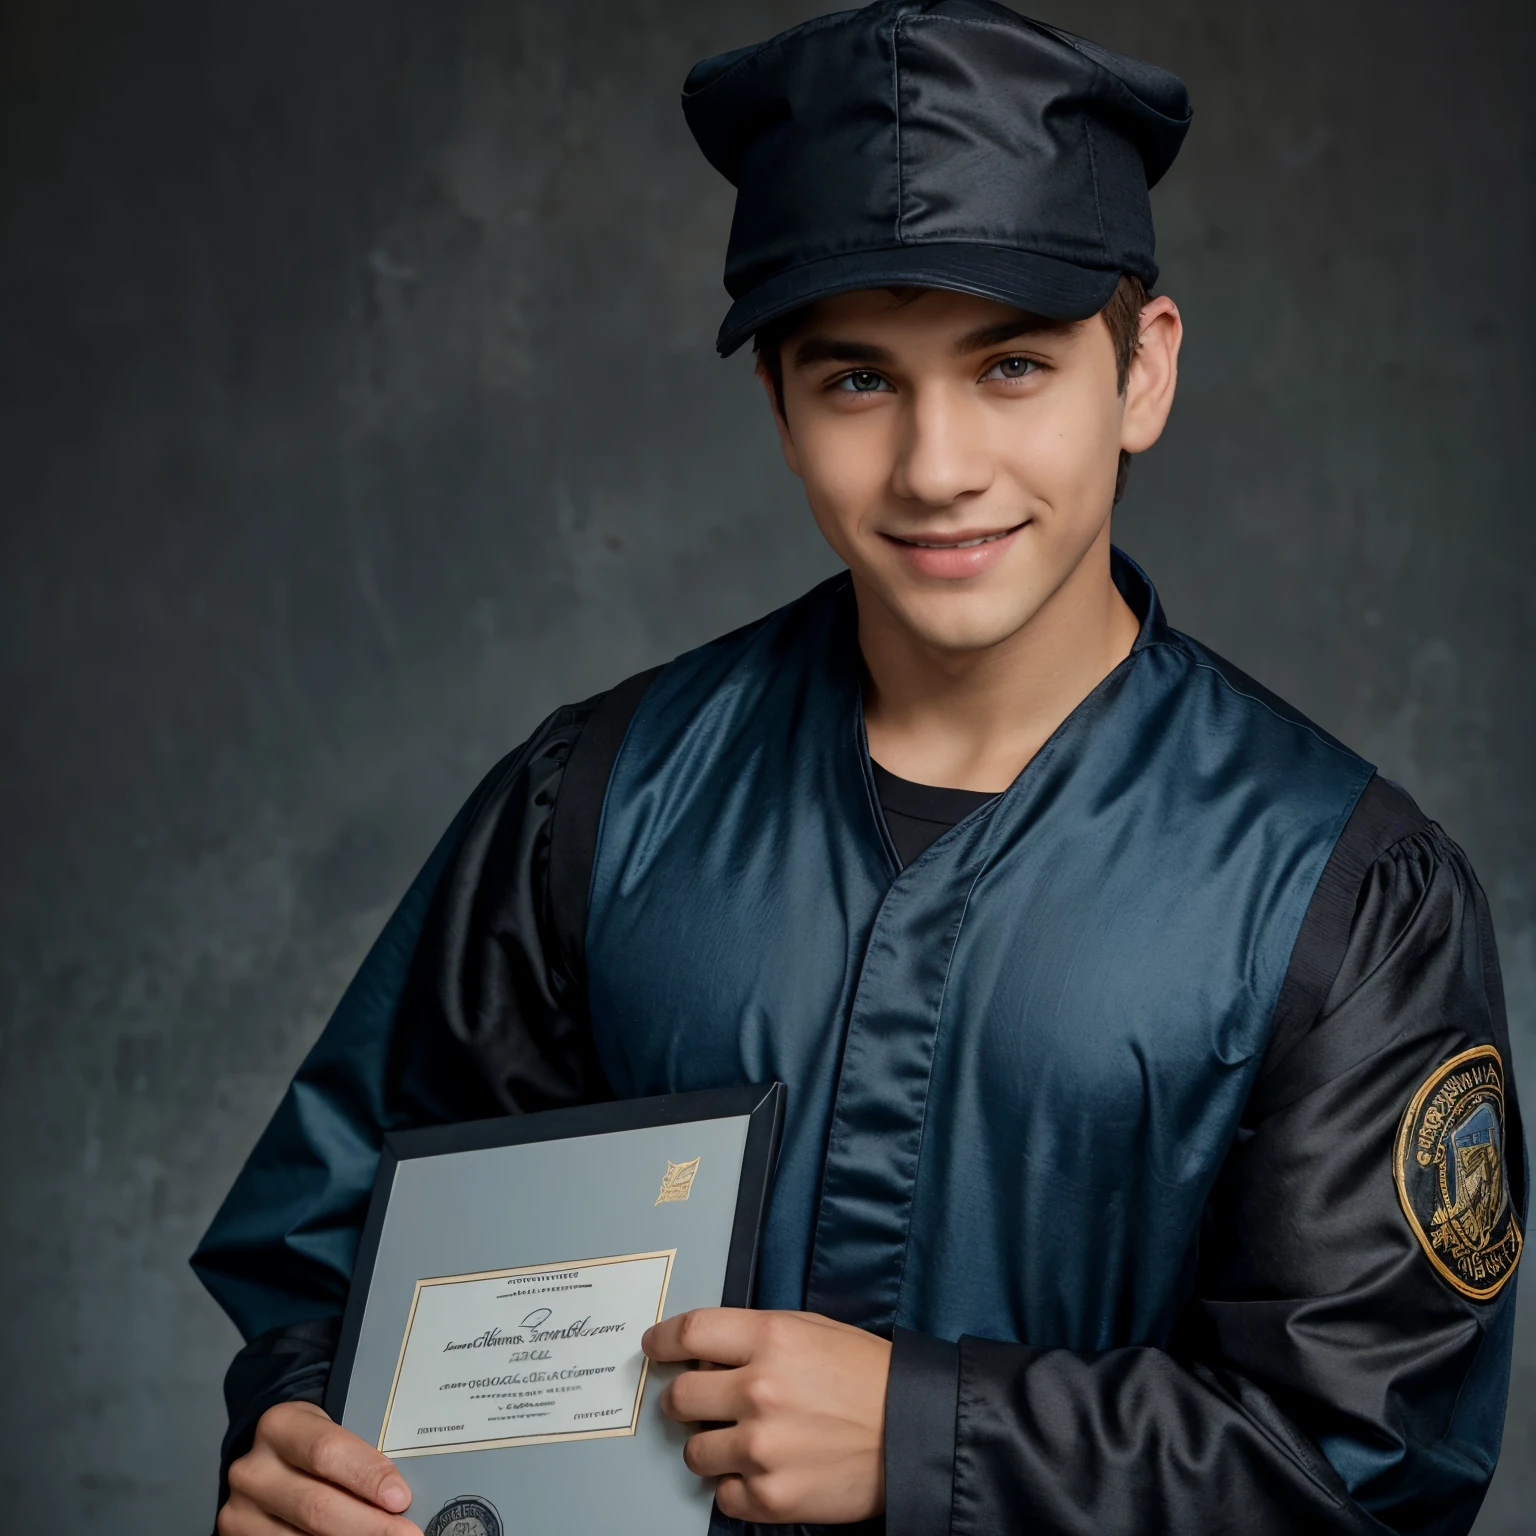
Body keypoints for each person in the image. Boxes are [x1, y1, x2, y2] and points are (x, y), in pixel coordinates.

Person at [193, 4, 1524, 1534]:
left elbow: (1366, 1469)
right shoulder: (597, 804)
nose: (937, 466)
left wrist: (921, 1434)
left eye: (1011, 366)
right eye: (857, 382)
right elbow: (346, 1251)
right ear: (776, 404)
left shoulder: (1341, 894)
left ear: (1140, 371)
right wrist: (313, 1431)